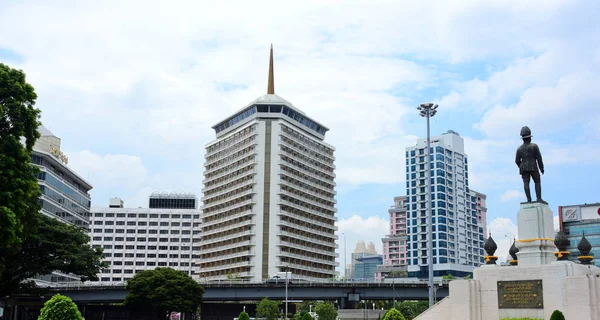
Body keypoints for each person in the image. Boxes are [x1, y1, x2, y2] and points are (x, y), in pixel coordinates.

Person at [515, 126, 545, 202]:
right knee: (537, 181)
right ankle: (538, 198)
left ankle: (529, 199)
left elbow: (517, 160)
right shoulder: (534, 146)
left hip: (524, 168)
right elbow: (539, 158)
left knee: (526, 183)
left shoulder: (519, 149)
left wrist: (521, 166)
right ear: (529, 138)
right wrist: (541, 168)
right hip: (533, 167)